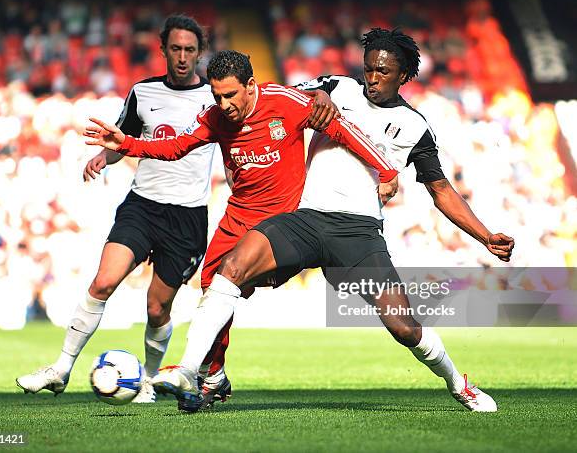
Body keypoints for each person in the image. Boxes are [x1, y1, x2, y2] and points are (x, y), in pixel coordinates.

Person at [149, 28, 514, 412]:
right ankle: (192, 371)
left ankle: (459, 383)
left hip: (358, 232)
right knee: (231, 268)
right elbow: (283, 97)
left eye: (384, 72)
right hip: (306, 218)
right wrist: (318, 93)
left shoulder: (415, 127)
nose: (373, 78)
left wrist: (485, 236)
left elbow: (441, 190)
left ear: (404, 76)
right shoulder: (337, 86)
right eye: (369, 68)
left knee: (404, 328)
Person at [82, 49, 399, 408]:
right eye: (217, 96)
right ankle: (212, 376)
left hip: (283, 220)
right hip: (238, 216)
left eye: (230, 95)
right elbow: (176, 147)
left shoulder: (285, 102)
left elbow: (341, 129)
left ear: (250, 85)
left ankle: (200, 373)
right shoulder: (215, 117)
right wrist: (127, 144)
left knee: (235, 283)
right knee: (209, 285)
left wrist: (385, 169)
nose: (224, 104)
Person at [16, 15, 217, 403]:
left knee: (158, 309)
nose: (181, 56)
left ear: (199, 53)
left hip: (187, 217)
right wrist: (102, 158)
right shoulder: (143, 92)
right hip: (142, 207)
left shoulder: (214, 98)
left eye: (189, 49)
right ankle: (60, 368)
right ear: (162, 50)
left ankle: (150, 381)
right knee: (103, 282)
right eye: (175, 48)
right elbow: (121, 138)